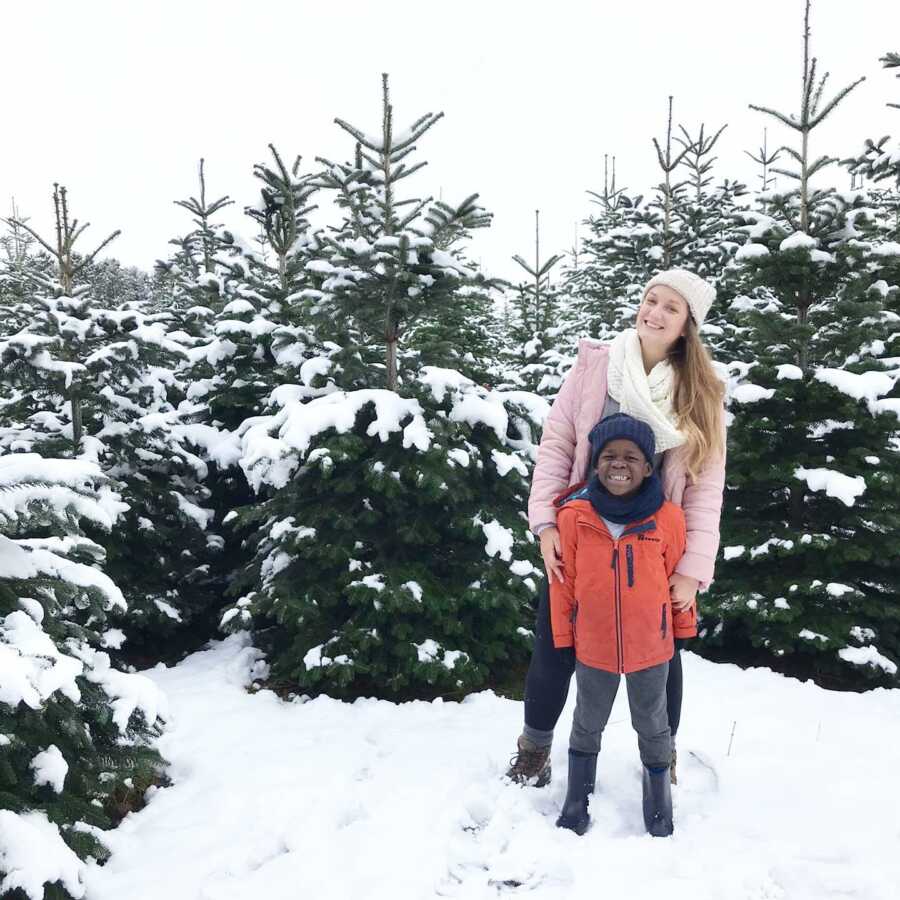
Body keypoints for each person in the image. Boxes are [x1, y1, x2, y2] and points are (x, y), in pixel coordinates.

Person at [505, 268, 726, 788]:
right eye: (651, 300)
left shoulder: (701, 392)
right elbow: (557, 444)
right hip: (580, 533)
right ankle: (534, 748)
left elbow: (705, 486)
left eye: (671, 307)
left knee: (662, 653)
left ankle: (661, 754)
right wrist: (544, 525)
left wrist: (693, 569)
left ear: (687, 326)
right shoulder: (595, 367)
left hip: (653, 544)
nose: (655, 312)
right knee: (555, 644)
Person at [550, 414, 695, 837]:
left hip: (651, 643)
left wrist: (682, 628)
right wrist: (564, 635)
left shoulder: (668, 518)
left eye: (631, 456)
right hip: (593, 644)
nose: (619, 464)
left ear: (648, 467)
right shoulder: (574, 516)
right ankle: (578, 795)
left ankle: (657, 796)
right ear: (595, 464)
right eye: (609, 456)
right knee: (587, 718)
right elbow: (563, 584)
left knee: (653, 721)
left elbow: (678, 579)